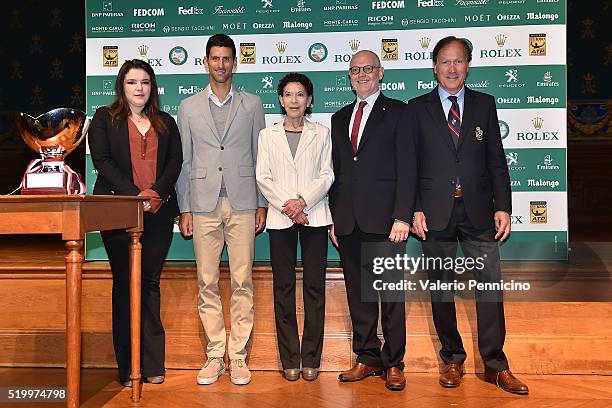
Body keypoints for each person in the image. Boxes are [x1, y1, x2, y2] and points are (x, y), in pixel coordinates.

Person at [407, 36, 529, 395]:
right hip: (435, 213)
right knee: (441, 290)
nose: (451, 68)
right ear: (434, 66)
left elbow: (496, 159)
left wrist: (503, 206)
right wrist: (414, 207)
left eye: (458, 61)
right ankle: (452, 359)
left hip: (478, 211)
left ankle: (495, 365)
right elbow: (410, 165)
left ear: (468, 65)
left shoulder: (484, 104)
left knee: (489, 287)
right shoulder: (417, 108)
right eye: (445, 62)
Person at [175, 34, 267, 386]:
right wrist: (184, 207)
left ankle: (239, 357)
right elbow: (184, 160)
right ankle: (215, 355)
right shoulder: (188, 107)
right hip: (202, 204)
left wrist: (261, 203)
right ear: (206, 63)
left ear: (235, 63)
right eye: (215, 58)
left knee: (243, 281)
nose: (221, 64)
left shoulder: (253, 104)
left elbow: (260, 158)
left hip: (244, 203)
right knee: (206, 281)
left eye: (227, 58)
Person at [89, 59, 182, 386]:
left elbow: (175, 163)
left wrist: (154, 194)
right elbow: (102, 160)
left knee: (150, 284)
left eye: (144, 82)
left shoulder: (167, 122)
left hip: (158, 213)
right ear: (121, 86)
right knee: (125, 284)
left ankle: (153, 365)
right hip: (116, 211)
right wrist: (134, 196)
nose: (139, 88)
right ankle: (128, 368)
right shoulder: (104, 118)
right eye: (132, 82)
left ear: (152, 87)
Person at [328, 50, 412, 391]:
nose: (361, 74)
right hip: (347, 221)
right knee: (358, 295)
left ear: (380, 73)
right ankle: (367, 357)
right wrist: (334, 218)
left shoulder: (399, 112)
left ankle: (394, 362)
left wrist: (403, 215)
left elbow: (409, 168)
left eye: (368, 69)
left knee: (390, 295)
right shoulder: (339, 117)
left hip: (387, 222)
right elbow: (337, 173)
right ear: (349, 77)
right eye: (355, 70)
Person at [256, 73, 334, 382]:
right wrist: (288, 206)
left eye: (300, 94)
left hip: (314, 215)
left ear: (309, 100)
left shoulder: (322, 133)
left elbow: (327, 175)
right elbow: (263, 177)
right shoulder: (267, 135)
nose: (294, 100)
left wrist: (302, 202)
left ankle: (311, 358)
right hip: (280, 218)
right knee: (283, 288)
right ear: (280, 99)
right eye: (288, 94)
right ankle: (290, 357)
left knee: (314, 288)